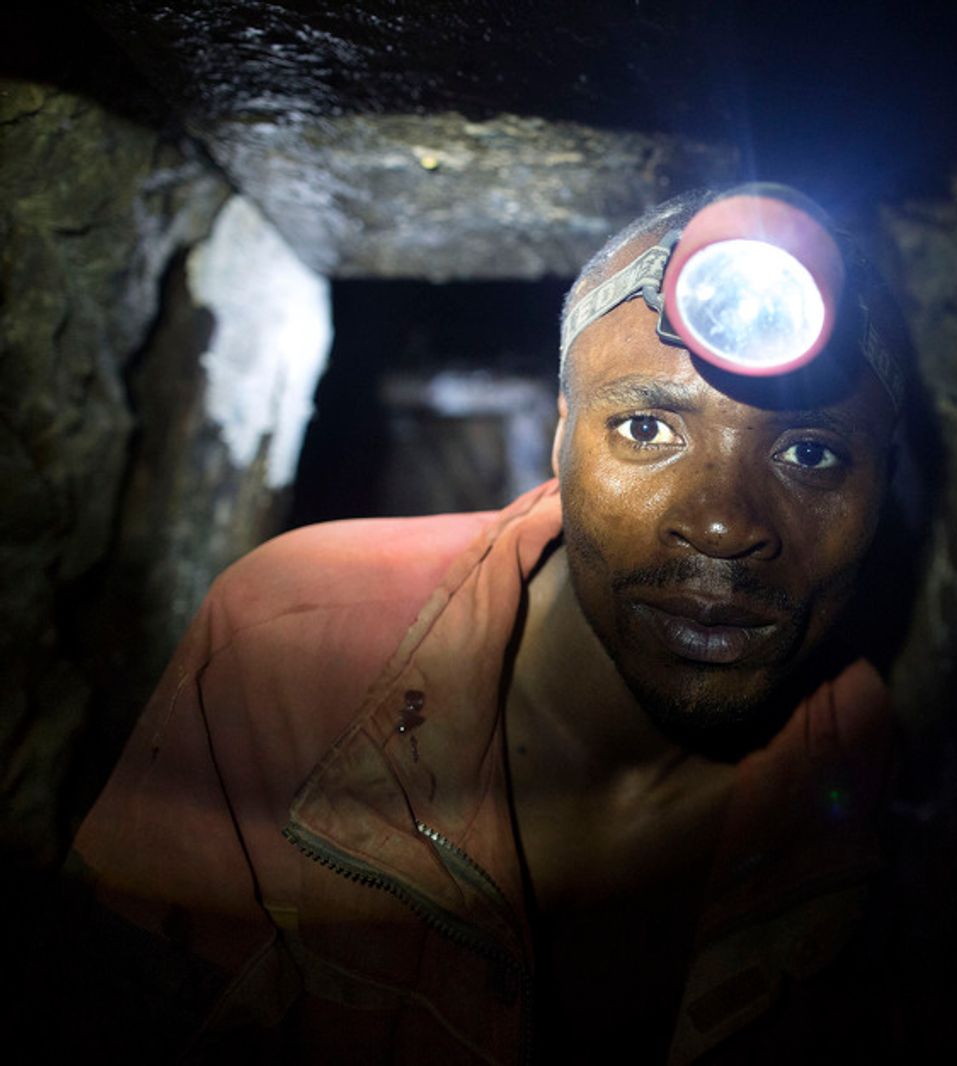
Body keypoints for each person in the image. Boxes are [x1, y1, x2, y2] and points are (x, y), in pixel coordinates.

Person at [66, 187, 913, 1064]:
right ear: (560, 438)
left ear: (884, 487)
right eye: (646, 426)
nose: (723, 524)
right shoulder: (293, 640)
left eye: (811, 453)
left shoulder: (851, 754)